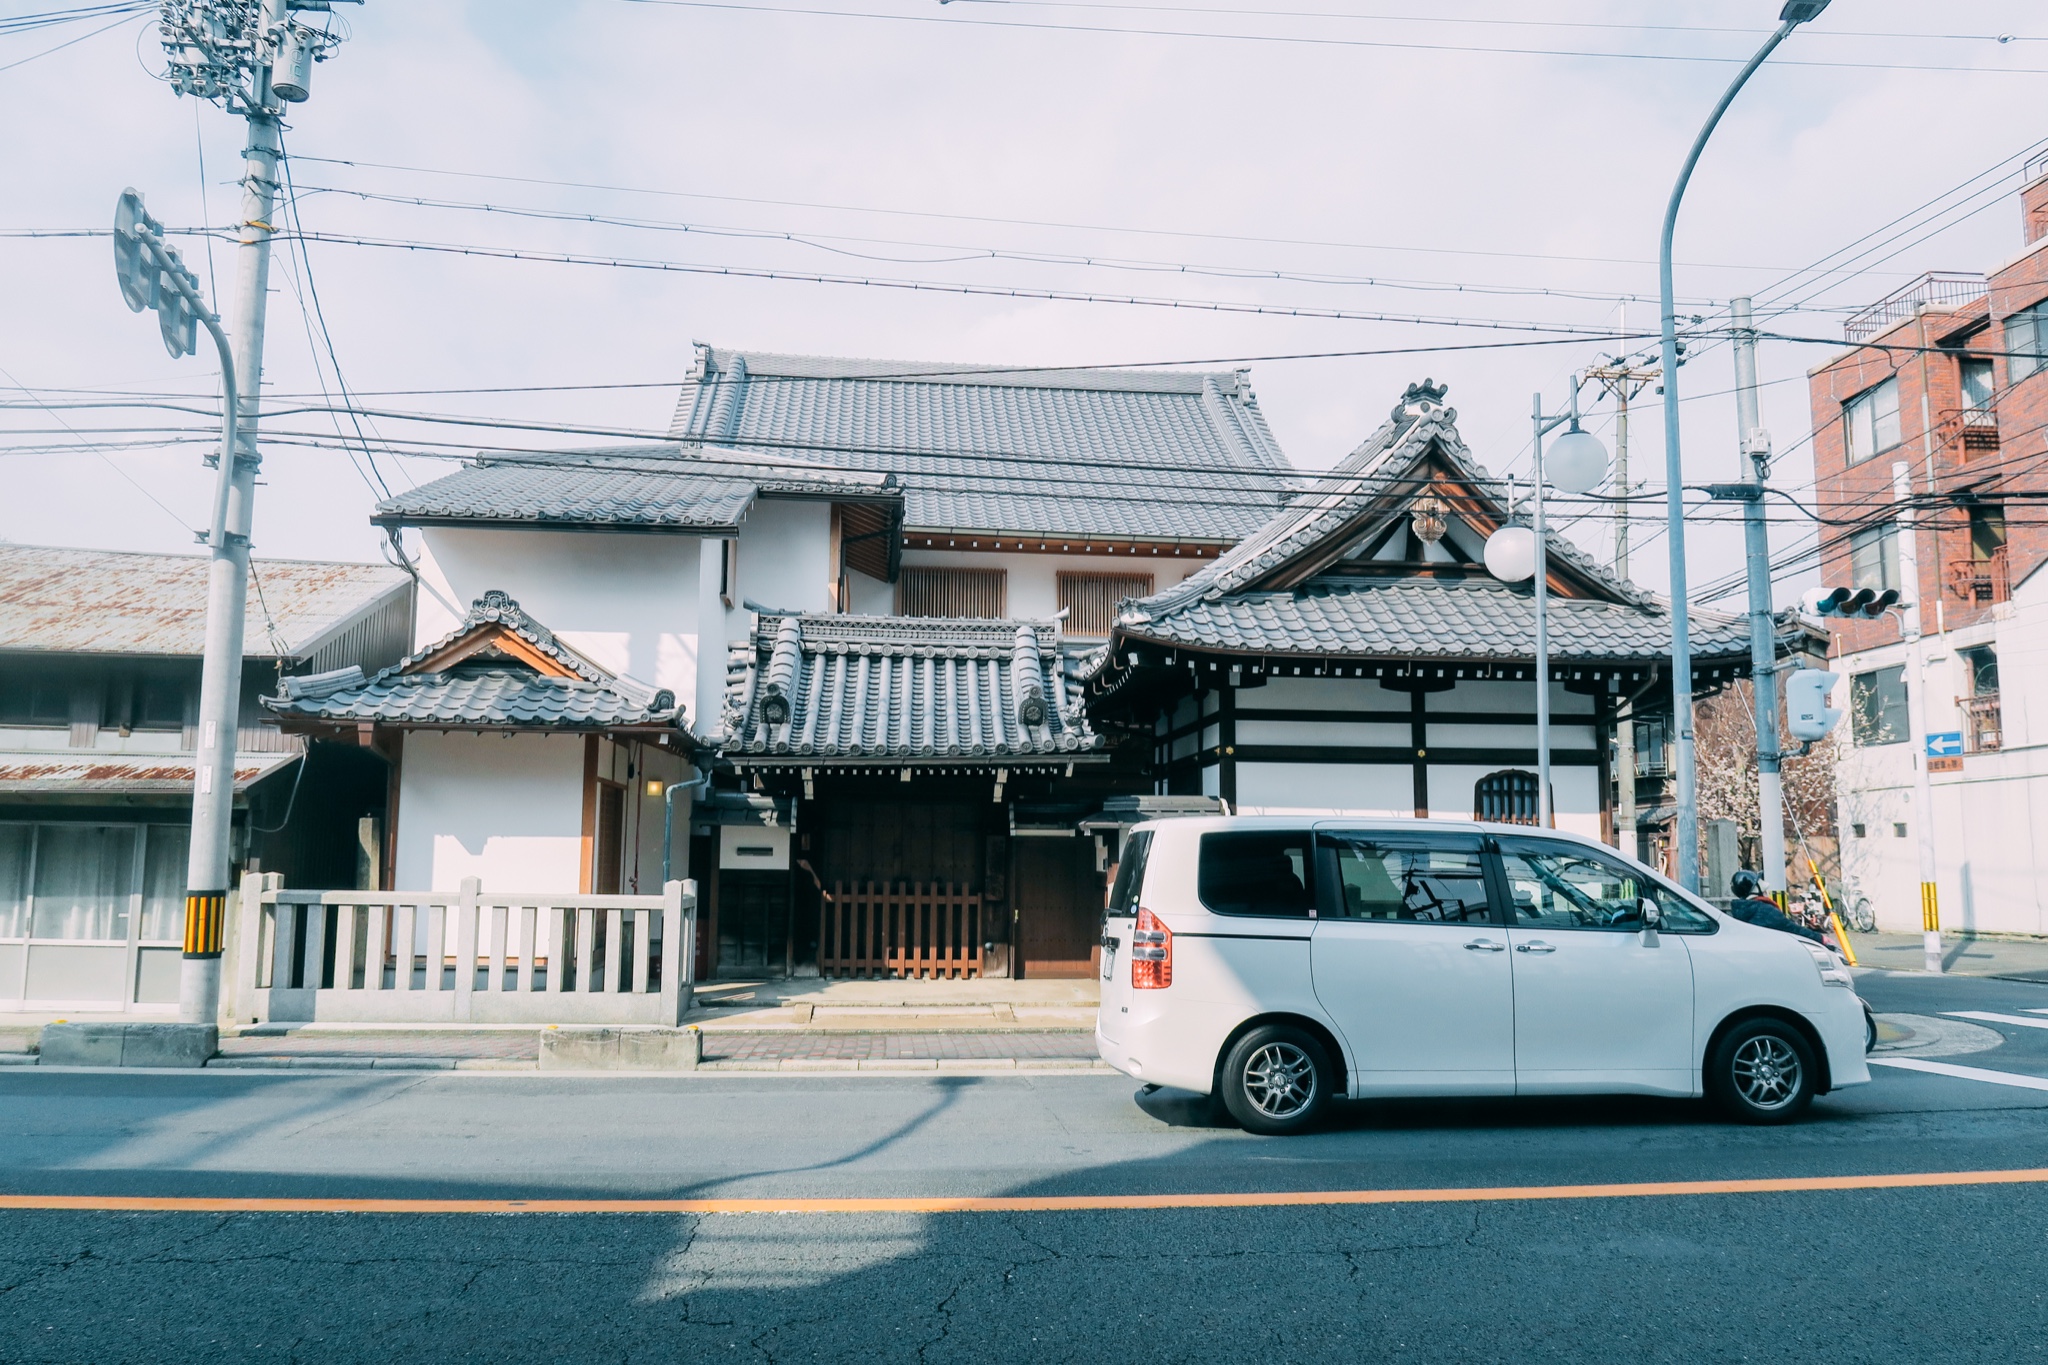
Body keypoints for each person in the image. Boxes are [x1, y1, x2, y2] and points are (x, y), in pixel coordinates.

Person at [1727, 870, 1827, 945]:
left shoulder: (1739, 911)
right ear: (1754, 888)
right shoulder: (1764, 911)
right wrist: (1820, 938)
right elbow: (1792, 929)